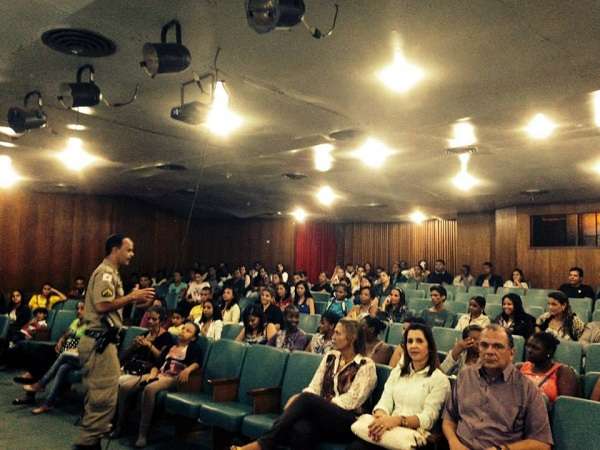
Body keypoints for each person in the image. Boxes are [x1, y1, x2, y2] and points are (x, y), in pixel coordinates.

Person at [232, 319, 377, 450]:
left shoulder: (366, 365)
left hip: (347, 422)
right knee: (301, 429)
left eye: (338, 333)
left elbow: (352, 401)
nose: (333, 337)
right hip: (322, 418)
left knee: (306, 399)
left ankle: (262, 444)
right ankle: (264, 443)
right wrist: (311, 403)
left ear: (352, 338)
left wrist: (314, 403)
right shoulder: (331, 356)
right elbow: (314, 386)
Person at [74, 234, 155, 450]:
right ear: (114, 249)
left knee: (99, 396)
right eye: (128, 250)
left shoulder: (112, 273)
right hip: (99, 343)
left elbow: (111, 306)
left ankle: (91, 442)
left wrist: (134, 300)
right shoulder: (106, 274)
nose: (132, 254)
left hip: (100, 341)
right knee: (104, 397)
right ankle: (87, 444)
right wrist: (132, 296)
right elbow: (102, 306)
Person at [442, 324, 553, 450]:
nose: (489, 351)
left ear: (512, 353)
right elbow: (449, 418)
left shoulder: (527, 390)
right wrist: (453, 442)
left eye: (498, 346)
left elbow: (542, 443)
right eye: (484, 345)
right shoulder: (465, 376)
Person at [349, 322, 450, 450]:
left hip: (413, 437)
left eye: (419, 341)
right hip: (388, 430)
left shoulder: (439, 379)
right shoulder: (398, 372)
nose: (413, 345)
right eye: (410, 341)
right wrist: (381, 419)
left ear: (429, 346)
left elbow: (428, 419)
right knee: (355, 447)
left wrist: (397, 420)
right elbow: (385, 401)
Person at [114, 321, 202, 448]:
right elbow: (158, 364)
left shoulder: (194, 348)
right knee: (125, 386)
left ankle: (142, 434)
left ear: (193, 338)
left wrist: (188, 370)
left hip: (173, 378)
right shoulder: (171, 346)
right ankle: (120, 425)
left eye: (188, 331)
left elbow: (197, 362)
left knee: (149, 389)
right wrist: (153, 374)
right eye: (183, 328)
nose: (183, 331)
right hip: (158, 374)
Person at [21, 301, 87, 414]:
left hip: (78, 353)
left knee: (57, 358)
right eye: (77, 309)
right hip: (66, 349)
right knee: (42, 352)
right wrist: (61, 339)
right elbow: (67, 333)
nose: (78, 311)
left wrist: (70, 339)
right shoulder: (76, 321)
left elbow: (84, 343)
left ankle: (40, 384)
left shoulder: (91, 325)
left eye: (82, 309)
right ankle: (45, 402)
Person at [518, 332, 578, 406]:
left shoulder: (562, 372)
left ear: (549, 351)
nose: (529, 350)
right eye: (528, 346)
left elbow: (566, 406)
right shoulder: (519, 367)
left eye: (535, 348)